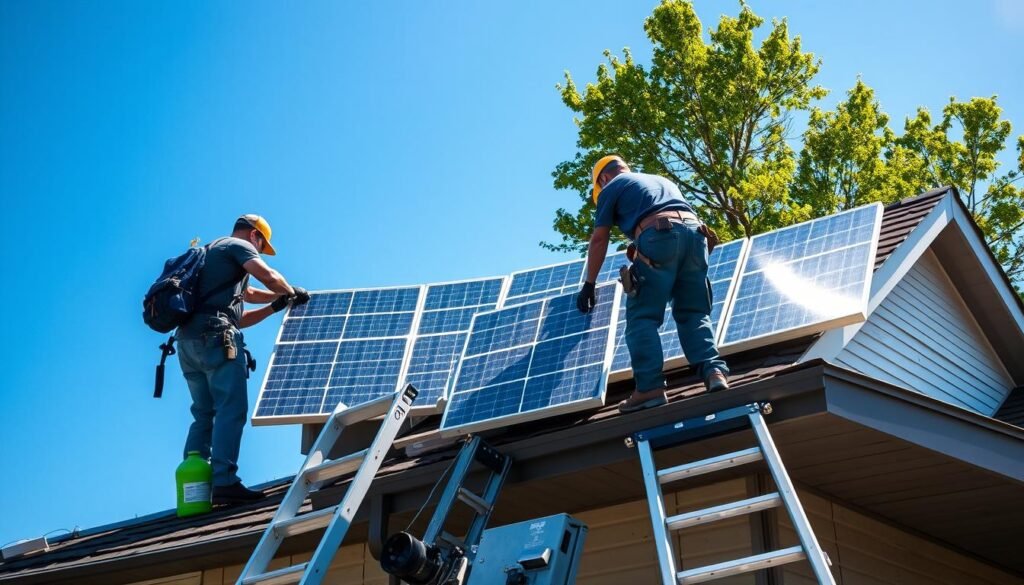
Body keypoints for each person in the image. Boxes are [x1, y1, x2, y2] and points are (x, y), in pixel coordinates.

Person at [576, 156, 729, 414]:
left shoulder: (612, 187)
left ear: (603, 178)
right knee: (693, 312)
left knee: (642, 317)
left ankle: (649, 389)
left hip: (660, 234)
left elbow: (599, 239)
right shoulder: (660, 180)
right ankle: (714, 371)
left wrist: (589, 284)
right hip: (697, 237)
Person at [176, 214, 310, 505]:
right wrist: (292, 292)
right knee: (230, 408)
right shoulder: (239, 246)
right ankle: (224, 481)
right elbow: (269, 277)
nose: (260, 252)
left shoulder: (212, 254)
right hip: (215, 339)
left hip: (187, 343)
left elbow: (243, 310)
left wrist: (276, 305)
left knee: (203, 413)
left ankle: (194, 491)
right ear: (255, 236)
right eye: (262, 247)